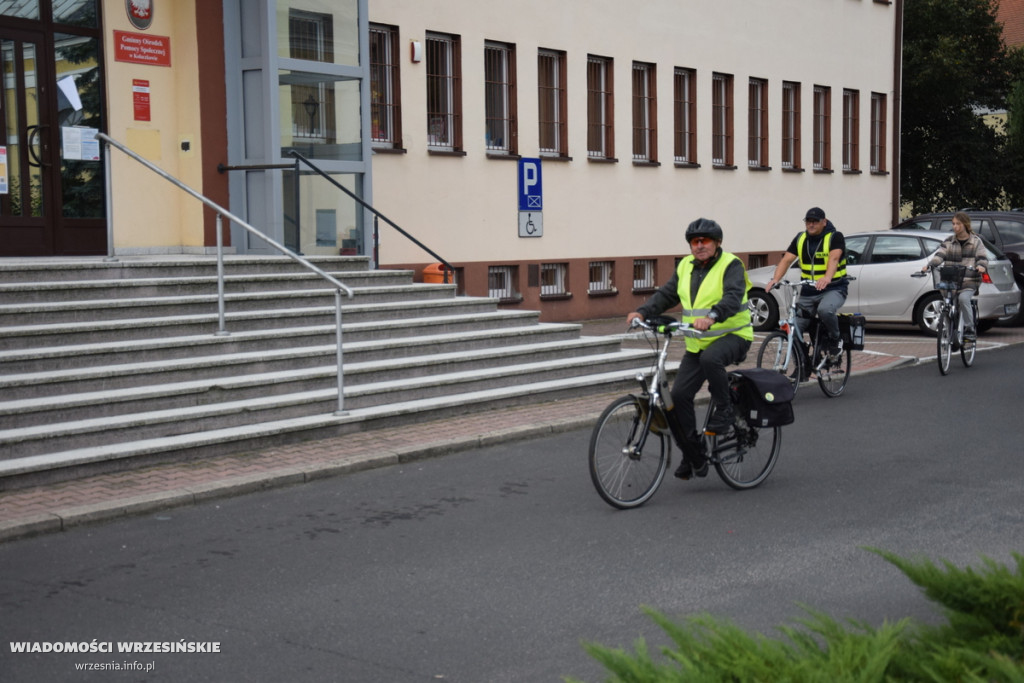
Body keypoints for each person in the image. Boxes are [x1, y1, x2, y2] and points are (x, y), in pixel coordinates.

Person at [626, 218, 753, 480]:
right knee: (680, 397)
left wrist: (714, 315)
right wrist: (642, 312)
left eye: (705, 240)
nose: (699, 245)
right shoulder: (685, 265)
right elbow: (668, 295)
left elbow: (732, 296)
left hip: (733, 334)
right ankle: (694, 454)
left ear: (717, 243)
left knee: (711, 359)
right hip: (697, 342)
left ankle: (725, 409)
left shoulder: (732, 265)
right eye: (694, 242)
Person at [765, 207, 848, 359]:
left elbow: (834, 259)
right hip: (809, 291)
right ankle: (802, 367)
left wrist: (827, 278)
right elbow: (787, 260)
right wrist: (775, 279)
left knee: (825, 310)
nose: (811, 224)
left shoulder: (835, 237)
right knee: (794, 328)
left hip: (833, 288)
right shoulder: (800, 238)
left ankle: (836, 339)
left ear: (824, 222)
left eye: (815, 221)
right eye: (808, 221)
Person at [920, 211, 988, 339]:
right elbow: (940, 255)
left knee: (963, 299)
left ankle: (969, 328)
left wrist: (981, 266)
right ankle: (952, 329)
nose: (955, 226)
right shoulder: (949, 241)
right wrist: (930, 265)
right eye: (953, 224)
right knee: (948, 303)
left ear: (965, 225)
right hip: (951, 279)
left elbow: (982, 257)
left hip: (969, 279)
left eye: (958, 224)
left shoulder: (976, 241)